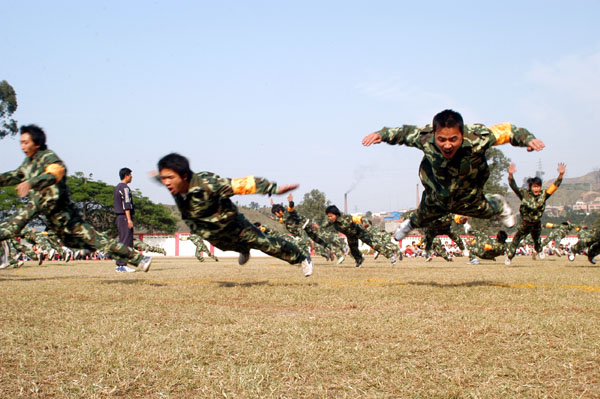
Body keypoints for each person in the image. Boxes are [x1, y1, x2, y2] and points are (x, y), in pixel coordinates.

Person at [362, 109, 545, 241]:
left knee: (486, 211)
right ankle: (410, 224)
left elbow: (508, 131)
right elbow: (403, 133)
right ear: (435, 135)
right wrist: (382, 135)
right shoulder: (425, 137)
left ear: (462, 134)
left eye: (453, 139)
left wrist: (527, 139)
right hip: (438, 192)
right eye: (442, 140)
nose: (447, 145)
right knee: (425, 214)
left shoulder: (477, 137)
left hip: (468, 192)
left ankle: (498, 203)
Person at [0, 125, 151, 271]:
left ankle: (138, 259)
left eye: (26, 143)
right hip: (39, 206)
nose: (22, 147)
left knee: (96, 240)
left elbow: (55, 173)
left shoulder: (48, 157)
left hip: (61, 211)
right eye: (21, 143)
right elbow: (13, 175)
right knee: (9, 228)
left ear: (37, 143)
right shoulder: (28, 163)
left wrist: (31, 182)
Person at [156, 153, 313, 276]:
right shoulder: (175, 186)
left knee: (265, 244)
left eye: (170, 178)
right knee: (223, 246)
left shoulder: (208, 184)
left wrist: (274, 189)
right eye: (164, 178)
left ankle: (301, 256)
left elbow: (243, 185)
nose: (166, 183)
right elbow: (161, 177)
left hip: (234, 224)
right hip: (213, 231)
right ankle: (243, 249)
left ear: (184, 176)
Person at [504, 163, 565, 265]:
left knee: (537, 240)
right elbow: (513, 187)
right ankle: (509, 257)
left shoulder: (544, 195)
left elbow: (554, 187)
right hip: (525, 223)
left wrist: (560, 175)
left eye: (538, 187)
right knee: (516, 239)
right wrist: (510, 175)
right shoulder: (524, 194)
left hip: (536, 223)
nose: (536, 189)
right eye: (534, 187)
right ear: (530, 187)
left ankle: (539, 250)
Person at [324, 205, 397, 267]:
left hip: (359, 231)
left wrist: (365, 223)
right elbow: (323, 226)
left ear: (336, 215)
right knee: (353, 250)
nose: (330, 218)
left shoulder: (346, 217)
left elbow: (360, 218)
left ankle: (391, 255)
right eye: (328, 216)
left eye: (331, 216)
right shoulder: (332, 221)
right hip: (350, 235)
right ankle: (359, 261)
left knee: (374, 245)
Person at [114, 167, 136, 272]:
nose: (132, 177)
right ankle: (122, 264)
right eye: (131, 175)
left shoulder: (117, 187)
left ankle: (120, 264)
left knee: (122, 240)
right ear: (126, 175)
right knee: (126, 241)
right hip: (124, 217)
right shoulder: (125, 188)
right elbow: (126, 205)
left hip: (119, 217)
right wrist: (129, 219)